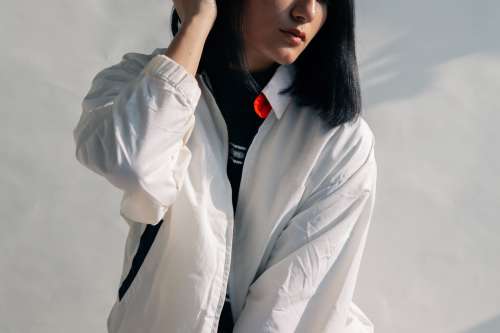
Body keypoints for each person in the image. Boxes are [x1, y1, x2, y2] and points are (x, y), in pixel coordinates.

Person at [72, 0, 378, 331]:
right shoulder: (140, 83)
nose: (307, 11)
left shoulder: (339, 141)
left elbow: (289, 303)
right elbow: (131, 163)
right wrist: (198, 21)